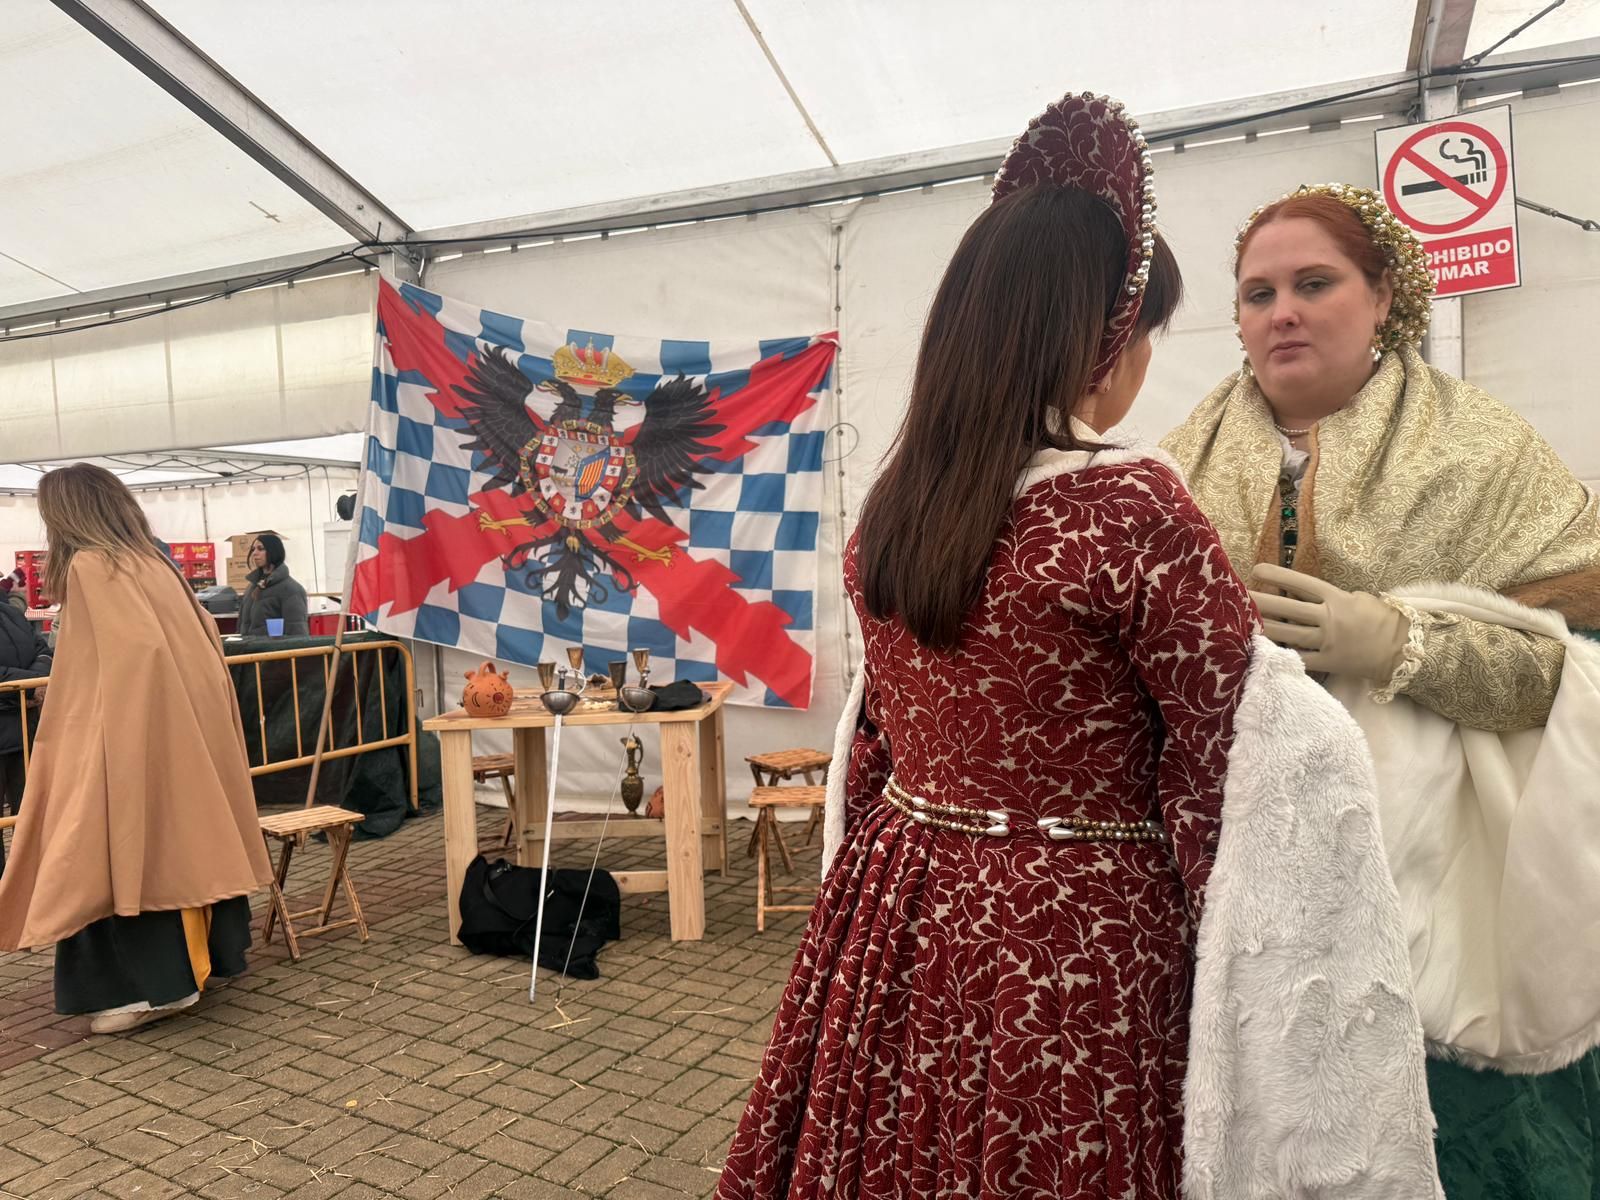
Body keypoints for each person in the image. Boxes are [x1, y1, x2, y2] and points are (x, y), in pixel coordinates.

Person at [718, 95, 1439, 1200]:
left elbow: (873, 749)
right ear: (1101, 338)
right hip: (1081, 949)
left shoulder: (899, 506)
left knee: (904, 1151)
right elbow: (1233, 763)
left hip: (901, 917)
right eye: (1146, 333)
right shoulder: (1129, 506)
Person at [1164, 183, 1600, 1200]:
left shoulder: (1483, 451)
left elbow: (1566, 672)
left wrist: (1403, 641)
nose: (1281, 312)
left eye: (1314, 283)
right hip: (1238, 877)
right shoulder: (1178, 466)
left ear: (1384, 298)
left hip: (1432, 888)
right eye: (1256, 292)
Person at [0, 464, 273, 1034]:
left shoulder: (94, 568)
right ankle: (205, 964)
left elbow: (130, 665)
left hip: (126, 739)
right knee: (183, 840)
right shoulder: (153, 565)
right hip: (176, 734)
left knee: (122, 851)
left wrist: (94, 741)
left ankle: (153, 987)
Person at [0, 600, 51, 874]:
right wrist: (29, 690)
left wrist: (34, 684)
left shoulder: (10, 612)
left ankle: (27, 886)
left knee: (30, 818)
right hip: (17, 721)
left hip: (24, 735)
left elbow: (43, 651)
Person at [238, 533, 310, 637]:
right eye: (253, 549)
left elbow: (297, 633)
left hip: (273, 652)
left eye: (260, 549)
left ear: (274, 551)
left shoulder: (291, 590)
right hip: (248, 651)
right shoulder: (251, 588)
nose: (254, 553)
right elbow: (241, 626)